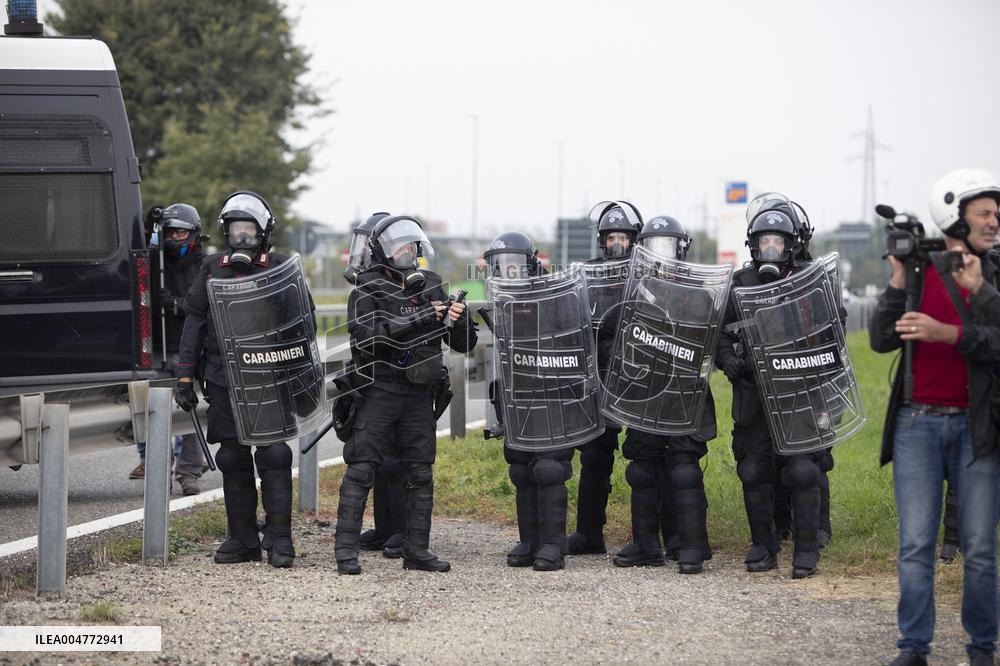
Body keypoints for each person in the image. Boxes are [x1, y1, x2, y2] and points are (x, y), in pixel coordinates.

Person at [869, 168, 1000, 666]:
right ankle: (913, 648)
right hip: (916, 424)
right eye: (984, 212)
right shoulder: (920, 270)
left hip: (978, 428)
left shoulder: (995, 272)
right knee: (917, 544)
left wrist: (951, 330)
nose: (994, 221)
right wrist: (897, 282)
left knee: (980, 549)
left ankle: (982, 649)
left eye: (996, 214)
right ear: (956, 214)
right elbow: (882, 340)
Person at [334, 215, 476, 575]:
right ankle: (345, 552)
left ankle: (417, 551)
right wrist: (424, 318)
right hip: (379, 388)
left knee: (420, 471)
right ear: (382, 251)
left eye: (411, 245)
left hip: (419, 392)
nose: (407, 251)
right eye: (399, 246)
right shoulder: (366, 289)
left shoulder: (430, 285)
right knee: (362, 467)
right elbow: (369, 339)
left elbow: (463, 344)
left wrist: (459, 321)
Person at [174, 191, 303, 568]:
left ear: (263, 232)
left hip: (267, 375)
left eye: (249, 230)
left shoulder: (281, 267)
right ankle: (242, 538)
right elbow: (194, 321)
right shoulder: (212, 269)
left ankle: (280, 539)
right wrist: (184, 377)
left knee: (275, 456)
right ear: (225, 232)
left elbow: (301, 322)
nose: (242, 237)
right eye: (235, 230)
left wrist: (298, 374)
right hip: (222, 377)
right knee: (232, 458)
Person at [597, 216, 716, 573]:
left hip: (682, 392)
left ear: (681, 249)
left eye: (666, 246)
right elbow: (606, 338)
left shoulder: (700, 292)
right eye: (652, 247)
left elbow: (708, 341)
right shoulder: (630, 292)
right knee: (642, 469)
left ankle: (693, 545)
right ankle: (647, 545)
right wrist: (623, 353)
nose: (659, 255)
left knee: (683, 469)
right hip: (644, 391)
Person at [715, 199, 825, 579]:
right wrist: (728, 360)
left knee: (802, 471)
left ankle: (807, 550)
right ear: (753, 245)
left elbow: (834, 335)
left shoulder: (812, 280)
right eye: (764, 242)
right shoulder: (738, 284)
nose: (771, 250)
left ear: (792, 243)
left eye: (777, 242)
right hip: (753, 395)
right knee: (753, 470)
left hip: (799, 393)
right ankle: (763, 544)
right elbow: (717, 335)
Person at [483, 231, 575, 571]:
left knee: (549, 469)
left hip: (552, 391)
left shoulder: (555, 294)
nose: (508, 272)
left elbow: (573, 342)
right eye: (500, 266)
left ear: (531, 263)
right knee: (521, 468)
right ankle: (530, 540)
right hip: (516, 393)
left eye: (514, 264)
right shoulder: (502, 301)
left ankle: (553, 545)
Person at [568, 201, 641, 556]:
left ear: (634, 239)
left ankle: (657, 535)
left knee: (648, 457)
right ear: (602, 240)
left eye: (622, 237)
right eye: (611, 236)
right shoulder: (588, 274)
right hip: (600, 374)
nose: (616, 243)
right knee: (595, 455)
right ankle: (588, 533)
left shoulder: (648, 272)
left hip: (641, 376)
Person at [130, 203, 206, 495]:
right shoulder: (153, 259)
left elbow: (203, 305)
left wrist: (175, 303)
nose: (176, 237)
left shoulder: (204, 265)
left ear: (194, 234)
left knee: (190, 411)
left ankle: (189, 472)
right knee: (149, 411)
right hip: (156, 348)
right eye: (170, 232)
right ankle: (154, 464)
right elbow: (135, 260)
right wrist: (150, 227)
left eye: (182, 232)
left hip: (189, 349)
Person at [344, 212, 407, 560]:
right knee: (379, 459)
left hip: (402, 378)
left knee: (398, 459)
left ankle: (401, 531)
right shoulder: (367, 285)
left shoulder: (406, 280)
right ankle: (384, 527)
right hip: (370, 375)